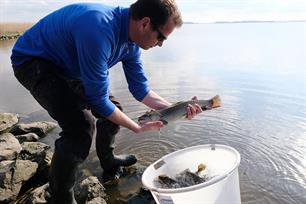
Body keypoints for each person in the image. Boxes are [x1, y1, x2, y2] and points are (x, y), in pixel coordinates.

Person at [11, 0, 202, 203]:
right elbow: (99, 101)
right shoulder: (98, 28)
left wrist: (177, 109)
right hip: (34, 61)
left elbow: (140, 90)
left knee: (114, 111)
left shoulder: (132, 43)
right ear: (145, 23)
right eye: (161, 36)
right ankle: (61, 196)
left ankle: (109, 161)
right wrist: (136, 127)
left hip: (69, 64)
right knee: (80, 128)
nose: (161, 44)